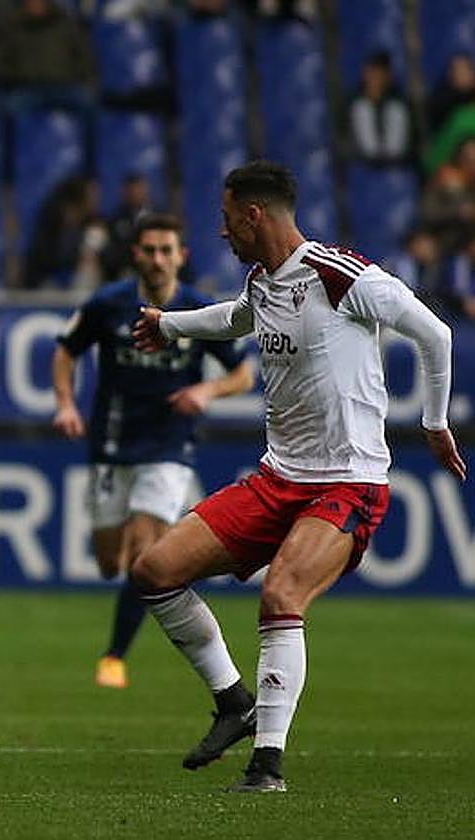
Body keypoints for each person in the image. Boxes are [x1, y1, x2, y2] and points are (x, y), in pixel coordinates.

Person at [129, 160, 466, 793]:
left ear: (254, 215)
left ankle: (267, 765)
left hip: (348, 481)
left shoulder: (342, 276)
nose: (223, 231)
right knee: (154, 572)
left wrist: (434, 421)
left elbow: (435, 334)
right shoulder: (262, 281)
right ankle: (234, 701)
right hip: (277, 478)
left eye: (228, 219)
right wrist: (169, 324)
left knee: (281, 597)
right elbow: (236, 318)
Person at [52, 213, 254, 690]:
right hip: (111, 441)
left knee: (145, 555)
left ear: (182, 256)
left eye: (167, 250)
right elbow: (66, 351)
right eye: (150, 250)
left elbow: (243, 374)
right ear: (135, 255)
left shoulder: (197, 310)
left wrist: (206, 391)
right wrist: (65, 403)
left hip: (168, 445)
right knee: (110, 562)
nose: (158, 259)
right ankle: (119, 620)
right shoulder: (108, 304)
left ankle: (113, 657)